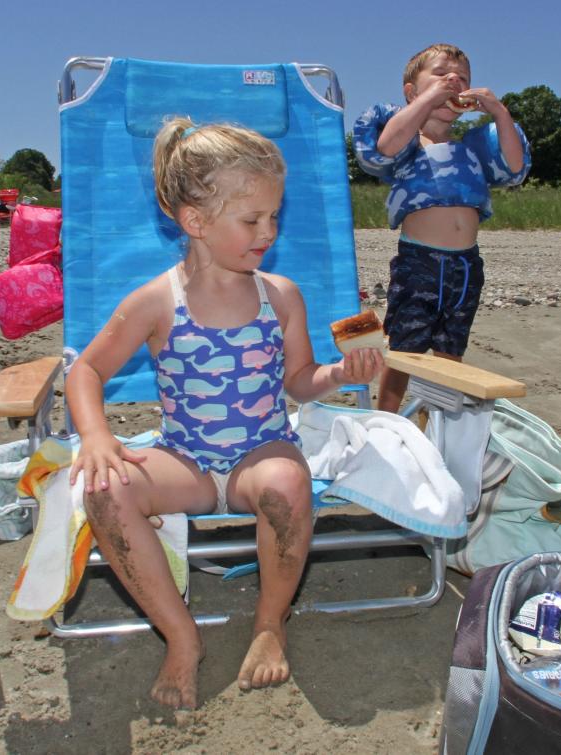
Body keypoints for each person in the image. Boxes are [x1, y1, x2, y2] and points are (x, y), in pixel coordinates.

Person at [66, 118, 383, 710]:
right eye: (252, 219)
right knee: (106, 492)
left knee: (289, 482)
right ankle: (181, 635)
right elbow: (84, 372)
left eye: (273, 216)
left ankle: (269, 623)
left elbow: (297, 380)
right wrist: (96, 437)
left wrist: (339, 376)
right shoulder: (157, 301)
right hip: (182, 458)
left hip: (259, 453)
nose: (269, 231)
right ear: (195, 222)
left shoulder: (280, 295)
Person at [353, 43, 531, 412]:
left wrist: (499, 111)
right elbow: (383, 149)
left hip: (465, 265)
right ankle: (385, 419)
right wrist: (427, 100)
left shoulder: (474, 147)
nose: (453, 80)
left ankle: (435, 421)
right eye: (440, 74)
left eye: (462, 78)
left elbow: (515, 167)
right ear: (410, 91)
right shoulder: (406, 141)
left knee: (451, 349)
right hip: (420, 262)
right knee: (406, 347)